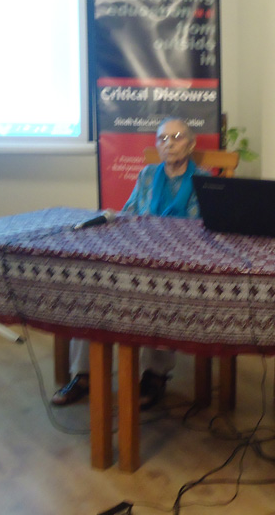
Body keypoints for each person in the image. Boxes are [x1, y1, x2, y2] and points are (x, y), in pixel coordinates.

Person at [51, 117, 208, 409]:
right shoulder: (147, 175)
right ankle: (83, 375)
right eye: (162, 138)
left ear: (191, 144)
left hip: (177, 260)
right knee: (90, 285)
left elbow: (200, 228)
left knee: (159, 291)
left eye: (176, 137)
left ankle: (154, 375)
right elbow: (129, 212)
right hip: (138, 251)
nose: (169, 144)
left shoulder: (203, 179)